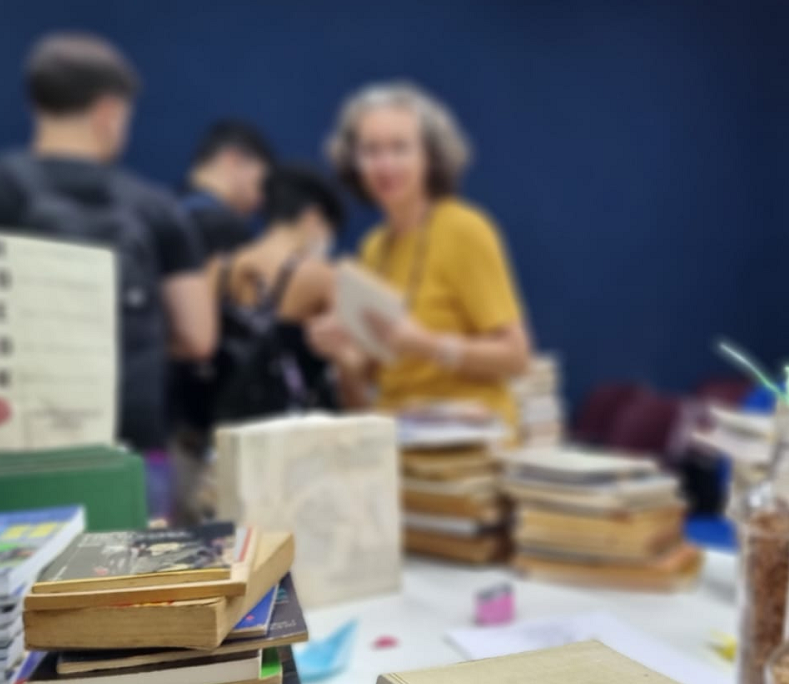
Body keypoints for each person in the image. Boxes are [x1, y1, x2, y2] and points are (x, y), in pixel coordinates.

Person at [0, 32, 215, 451]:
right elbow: (197, 336)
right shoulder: (155, 207)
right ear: (108, 111)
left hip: (3, 440)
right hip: (127, 439)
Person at [312, 81, 532, 425]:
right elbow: (364, 395)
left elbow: (517, 357)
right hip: (400, 441)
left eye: (400, 148)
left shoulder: (465, 229)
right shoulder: (373, 247)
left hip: (468, 449)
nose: (385, 166)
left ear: (430, 157)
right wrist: (343, 356)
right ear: (354, 161)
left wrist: (427, 345)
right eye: (370, 151)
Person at [169, 163, 345, 522]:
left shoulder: (219, 266)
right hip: (285, 455)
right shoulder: (320, 277)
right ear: (313, 217)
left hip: (212, 443)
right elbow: (350, 365)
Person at [181, 119, 275, 256]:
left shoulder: (165, 213)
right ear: (233, 159)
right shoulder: (225, 229)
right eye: (262, 184)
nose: (263, 199)